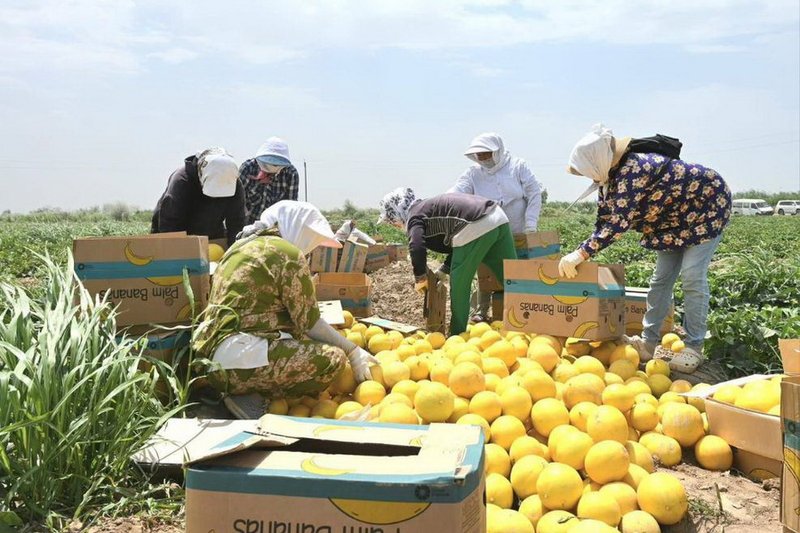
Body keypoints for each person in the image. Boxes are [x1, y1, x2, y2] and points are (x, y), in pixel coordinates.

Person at [559, 124, 731, 373]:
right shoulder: (608, 178)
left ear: (596, 162)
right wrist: (581, 249)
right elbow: (604, 221)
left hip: (707, 208)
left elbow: (618, 224)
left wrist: (581, 254)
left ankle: (694, 347)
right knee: (660, 279)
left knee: (692, 276)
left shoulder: (633, 170)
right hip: (671, 222)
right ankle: (649, 343)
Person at [192, 200, 378, 419]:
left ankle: (240, 386)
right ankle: (247, 391)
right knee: (332, 359)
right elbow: (309, 322)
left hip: (211, 358)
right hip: (240, 362)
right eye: (313, 239)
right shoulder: (286, 253)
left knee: (300, 340)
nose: (311, 247)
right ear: (297, 229)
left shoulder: (239, 247)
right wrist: (352, 351)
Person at [378, 188, 517, 336]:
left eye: (392, 221)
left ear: (397, 213)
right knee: (514, 278)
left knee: (459, 283)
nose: (394, 225)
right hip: (498, 216)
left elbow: (416, 246)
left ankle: (457, 335)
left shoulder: (414, 215)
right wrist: (444, 269)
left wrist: (420, 277)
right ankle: (529, 322)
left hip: (476, 222)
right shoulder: (428, 208)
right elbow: (457, 239)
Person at [449, 132, 543, 321]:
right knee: (485, 269)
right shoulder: (473, 173)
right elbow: (457, 192)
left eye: (487, 154)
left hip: (517, 229)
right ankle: (481, 312)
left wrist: (530, 224)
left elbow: (534, 192)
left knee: (518, 270)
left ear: (498, 151)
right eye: (479, 155)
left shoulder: (517, 166)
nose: (483, 159)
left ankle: (520, 312)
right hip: (488, 229)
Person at [151, 147, 245, 246]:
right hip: (177, 233)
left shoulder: (233, 182)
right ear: (201, 174)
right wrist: (178, 252)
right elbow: (170, 224)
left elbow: (237, 222)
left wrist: (233, 248)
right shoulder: (182, 181)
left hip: (212, 234)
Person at [238, 137, 300, 226]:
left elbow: (290, 207)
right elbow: (238, 203)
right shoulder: (247, 168)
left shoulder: (290, 174)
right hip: (248, 223)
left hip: (276, 226)